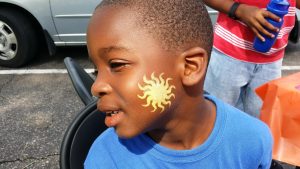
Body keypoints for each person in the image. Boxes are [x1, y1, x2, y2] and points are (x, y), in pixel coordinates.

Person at [84, 0, 273, 168]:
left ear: (190, 67)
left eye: (117, 65)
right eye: (96, 71)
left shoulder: (253, 140)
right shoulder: (105, 158)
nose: (96, 87)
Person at [203, 0, 300, 118]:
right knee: (216, 117)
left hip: (273, 59)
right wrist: (238, 10)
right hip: (229, 54)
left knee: (261, 123)